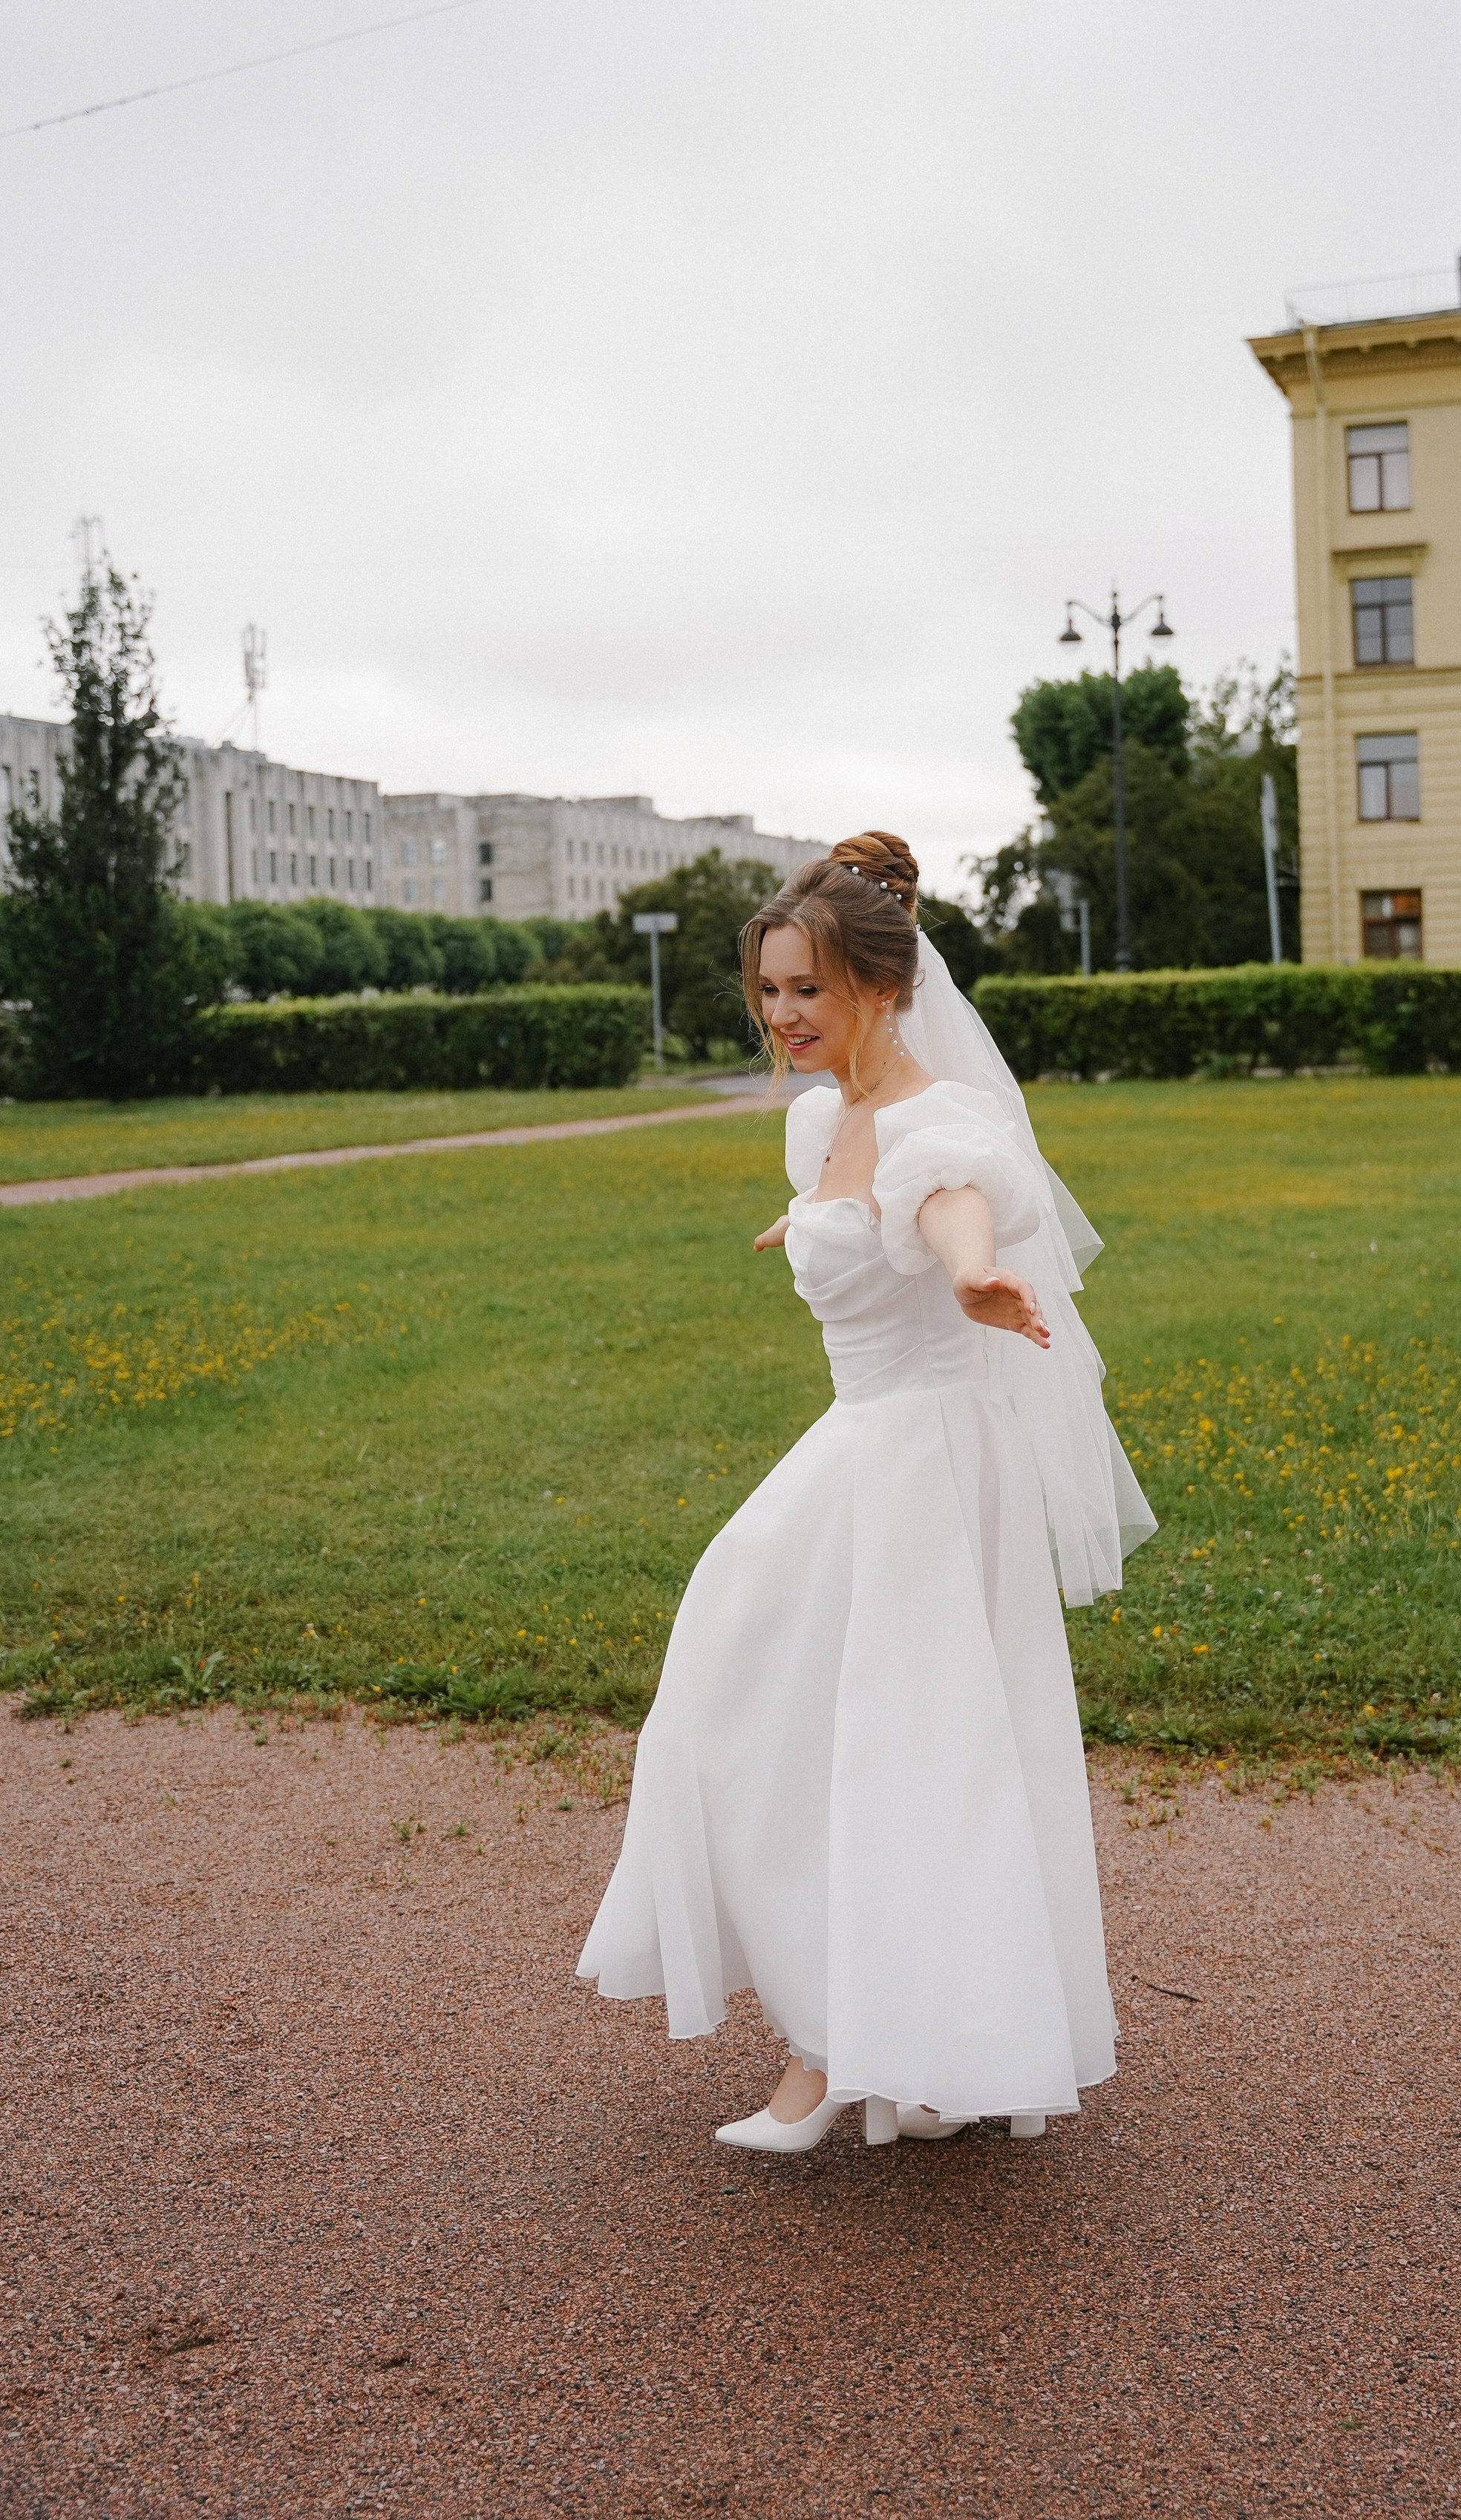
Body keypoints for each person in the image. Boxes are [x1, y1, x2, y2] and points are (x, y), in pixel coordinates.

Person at [577, 830, 1154, 2151]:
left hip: (929, 1466)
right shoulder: (815, 1119)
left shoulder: (941, 1121)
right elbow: (857, 1199)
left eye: (809, 994)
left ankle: (847, 2050)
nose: (784, 1017)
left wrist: (966, 1272)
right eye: (770, 992)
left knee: (911, 1748)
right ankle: (877, 2030)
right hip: (864, 1449)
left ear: (884, 990)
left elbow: (950, 1201)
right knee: (744, 1695)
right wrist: (819, 1221)